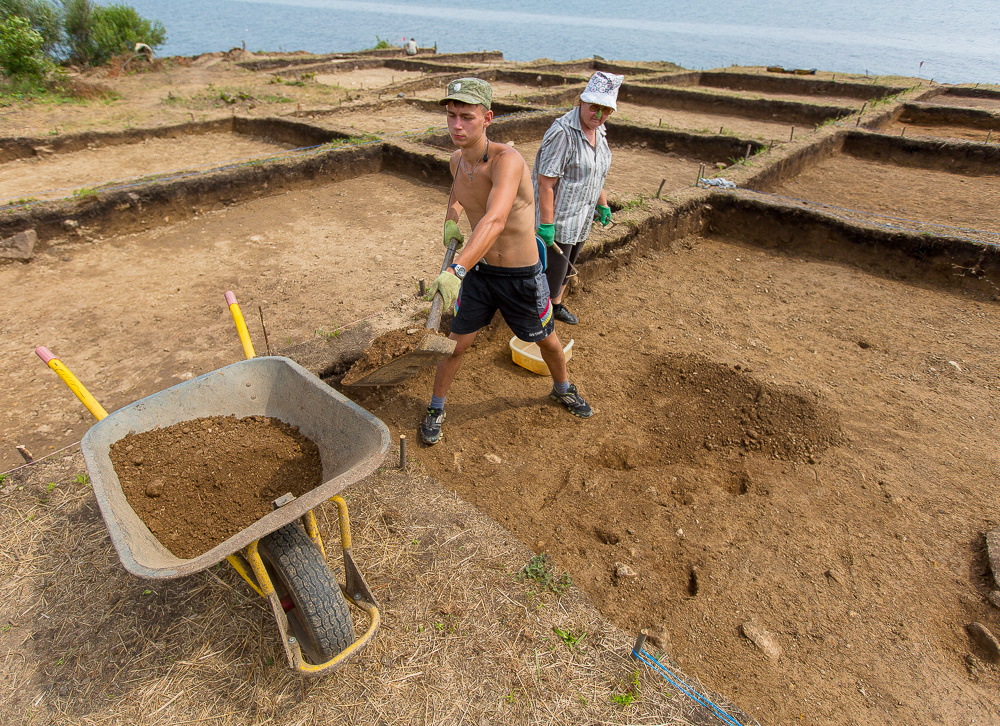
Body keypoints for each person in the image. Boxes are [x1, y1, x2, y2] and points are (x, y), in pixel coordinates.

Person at [419, 77, 593, 445]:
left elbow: (495, 220)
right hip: (481, 274)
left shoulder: (507, 161)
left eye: (467, 116)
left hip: (522, 277)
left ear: (488, 118)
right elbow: (457, 194)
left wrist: (455, 270)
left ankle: (562, 388)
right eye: (451, 116)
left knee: (547, 342)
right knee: (456, 344)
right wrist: (451, 221)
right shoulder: (456, 161)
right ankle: (436, 406)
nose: (457, 125)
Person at [532, 71, 624, 325]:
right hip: (559, 220)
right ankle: (539, 318)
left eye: (606, 110)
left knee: (566, 268)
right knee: (550, 274)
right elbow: (545, 182)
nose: (599, 115)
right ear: (582, 101)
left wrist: (603, 205)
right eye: (594, 107)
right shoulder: (563, 132)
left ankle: (556, 307)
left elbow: (597, 174)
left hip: (581, 219)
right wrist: (548, 224)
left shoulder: (600, 132)